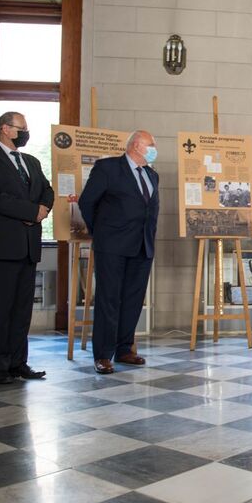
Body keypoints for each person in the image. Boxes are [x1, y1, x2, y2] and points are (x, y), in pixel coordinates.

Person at [0, 111, 54, 384]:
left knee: (21, 310)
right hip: (1, 246)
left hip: (28, 246)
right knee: (1, 309)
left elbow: (47, 191)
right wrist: (31, 212)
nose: (26, 133)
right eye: (22, 128)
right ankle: (0, 367)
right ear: (5, 129)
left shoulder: (31, 161)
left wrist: (43, 209)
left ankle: (19, 363)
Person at [78, 130, 159, 374]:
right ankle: (103, 354)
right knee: (109, 299)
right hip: (112, 245)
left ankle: (125, 349)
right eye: (151, 145)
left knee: (133, 300)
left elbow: (149, 211)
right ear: (136, 145)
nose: (154, 149)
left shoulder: (152, 175)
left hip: (142, 246)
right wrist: (100, 231)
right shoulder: (108, 168)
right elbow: (87, 202)